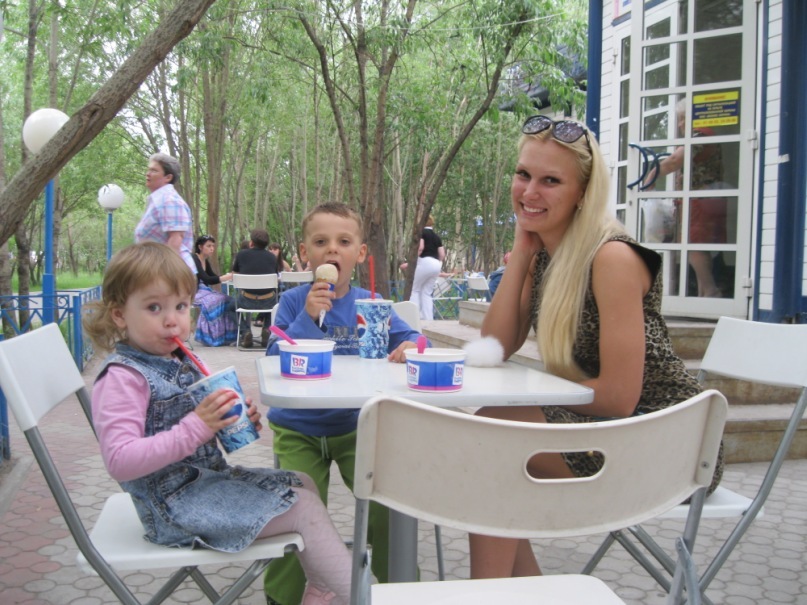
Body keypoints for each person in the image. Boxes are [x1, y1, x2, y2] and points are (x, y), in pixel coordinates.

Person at [468, 115, 723, 580]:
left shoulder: (611, 257)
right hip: (609, 428)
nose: (529, 192)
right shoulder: (546, 255)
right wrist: (522, 253)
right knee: (491, 436)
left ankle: (490, 594)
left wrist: (536, 393)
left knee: (493, 437)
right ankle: (510, 594)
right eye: (523, 174)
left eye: (550, 181)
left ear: (583, 193)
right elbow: (495, 346)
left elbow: (620, 397)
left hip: (671, 440)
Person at [83, 242, 351, 604]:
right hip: (173, 509)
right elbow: (120, 460)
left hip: (205, 483)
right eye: (154, 308)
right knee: (303, 509)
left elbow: (201, 432)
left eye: (180, 306)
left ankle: (321, 586)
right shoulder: (122, 378)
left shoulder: (178, 360)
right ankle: (352, 594)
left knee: (302, 481)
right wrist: (198, 426)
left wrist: (231, 421)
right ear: (119, 315)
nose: (171, 320)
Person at [262, 203, 423, 605]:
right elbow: (274, 358)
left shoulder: (372, 304)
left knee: (389, 505)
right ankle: (283, 597)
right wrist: (308, 318)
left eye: (344, 241)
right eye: (321, 241)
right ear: (305, 253)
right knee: (292, 513)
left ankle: (397, 589)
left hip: (358, 427)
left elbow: (419, 340)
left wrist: (411, 345)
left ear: (360, 253)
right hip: (298, 428)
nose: (332, 249)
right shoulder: (293, 302)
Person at [645, 99, 728, 297]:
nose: (680, 124)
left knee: (694, 247)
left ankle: (710, 291)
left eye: (684, 118)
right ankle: (703, 295)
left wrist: (650, 177)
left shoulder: (700, 136)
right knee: (700, 247)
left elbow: (674, 161)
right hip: (709, 199)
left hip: (701, 200)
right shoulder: (708, 137)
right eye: (679, 119)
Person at [135, 153, 196, 274]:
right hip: (157, 271)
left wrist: (165, 274)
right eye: (148, 169)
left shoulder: (169, 200)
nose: (148, 173)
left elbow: (176, 239)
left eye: (154, 170)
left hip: (170, 274)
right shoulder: (159, 200)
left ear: (168, 177)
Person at [231, 228, 279, 348]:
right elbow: (275, 278)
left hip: (246, 300)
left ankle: (245, 332)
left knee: (231, 306)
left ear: (251, 242)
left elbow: (234, 275)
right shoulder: (272, 257)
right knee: (274, 301)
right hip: (268, 301)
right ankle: (267, 330)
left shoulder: (241, 254)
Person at [191, 235, 237, 346]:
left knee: (228, 299)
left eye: (213, 246)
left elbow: (213, 277)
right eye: (209, 246)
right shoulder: (194, 258)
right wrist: (225, 277)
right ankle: (210, 337)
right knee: (214, 301)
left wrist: (227, 276)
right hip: (193, 291)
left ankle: (227, 336)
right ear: (200, 247)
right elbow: (206, 279)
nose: (212, 248)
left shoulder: (205, 261)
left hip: (204, 290)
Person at [409, 214, 446, 320]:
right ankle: (428, 318)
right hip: (436, 264)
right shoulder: (436, 237)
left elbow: (420, 248)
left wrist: (412, 260)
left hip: (424, 261)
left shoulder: (422, 233)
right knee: (427, 292)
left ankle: (414, 317)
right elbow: (442, 254)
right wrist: (437, 263)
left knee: (414, 289)